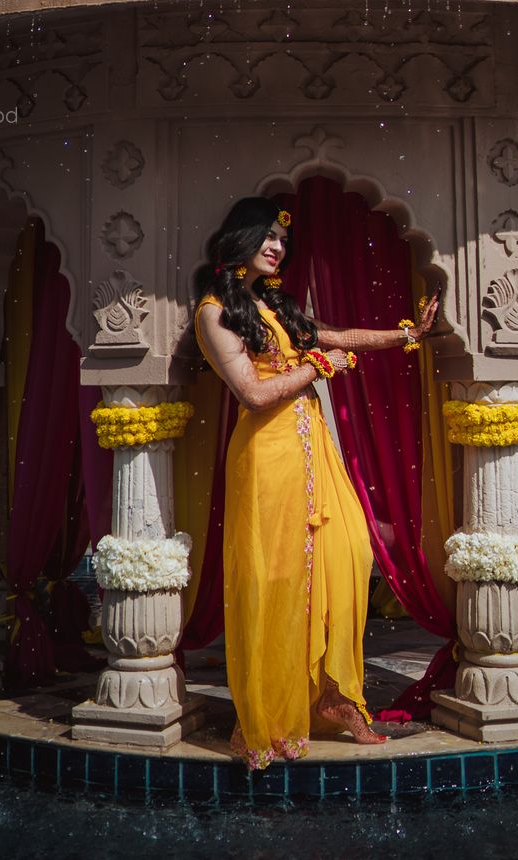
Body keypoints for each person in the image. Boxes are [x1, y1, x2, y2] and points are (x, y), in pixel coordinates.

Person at [192, 194, 439, 769]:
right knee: (278, 576)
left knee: (349, 553)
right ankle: (275, 714)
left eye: (282, 241)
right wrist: (314, 369)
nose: (278, 248)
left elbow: (339, 336)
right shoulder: (215, 311)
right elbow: (252, 395)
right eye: (267, 238)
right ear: (240, 242)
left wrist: (406, 336)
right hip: (268, 457)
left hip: (312, 450)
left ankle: (334, 693)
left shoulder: (273, 304)